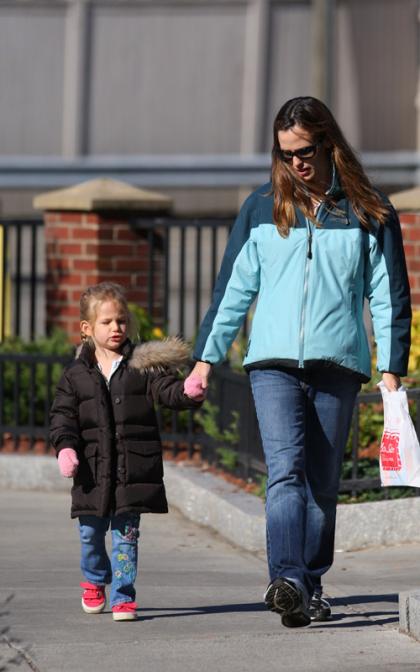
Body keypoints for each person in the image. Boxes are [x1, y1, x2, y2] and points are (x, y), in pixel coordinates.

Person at [185, 96, 411, 627]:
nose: (297, 163)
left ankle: (308, 584)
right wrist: (204, 359)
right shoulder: (262, 207)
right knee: (284, 472)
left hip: (339, 363)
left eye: (305, 151)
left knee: (322, 483)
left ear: (329, 142)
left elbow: (389, 294)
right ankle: (286, 577)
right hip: (273, 363)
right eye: (286, 154)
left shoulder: (369, 210)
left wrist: (390, 369)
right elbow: (233, 290)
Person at [50, 282, 203, 621]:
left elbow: (168, 392)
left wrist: (188, 391)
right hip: (90, 472)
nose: (116, 328)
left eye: (121, 320)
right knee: (90, 535)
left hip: (132, 471)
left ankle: (123, 596)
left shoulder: (143, 367)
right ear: (87, 329)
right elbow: (62, 416)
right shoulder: (76, 375)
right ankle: (93, 579)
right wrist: (65, 449)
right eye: (107, 322)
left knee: (126, 539)